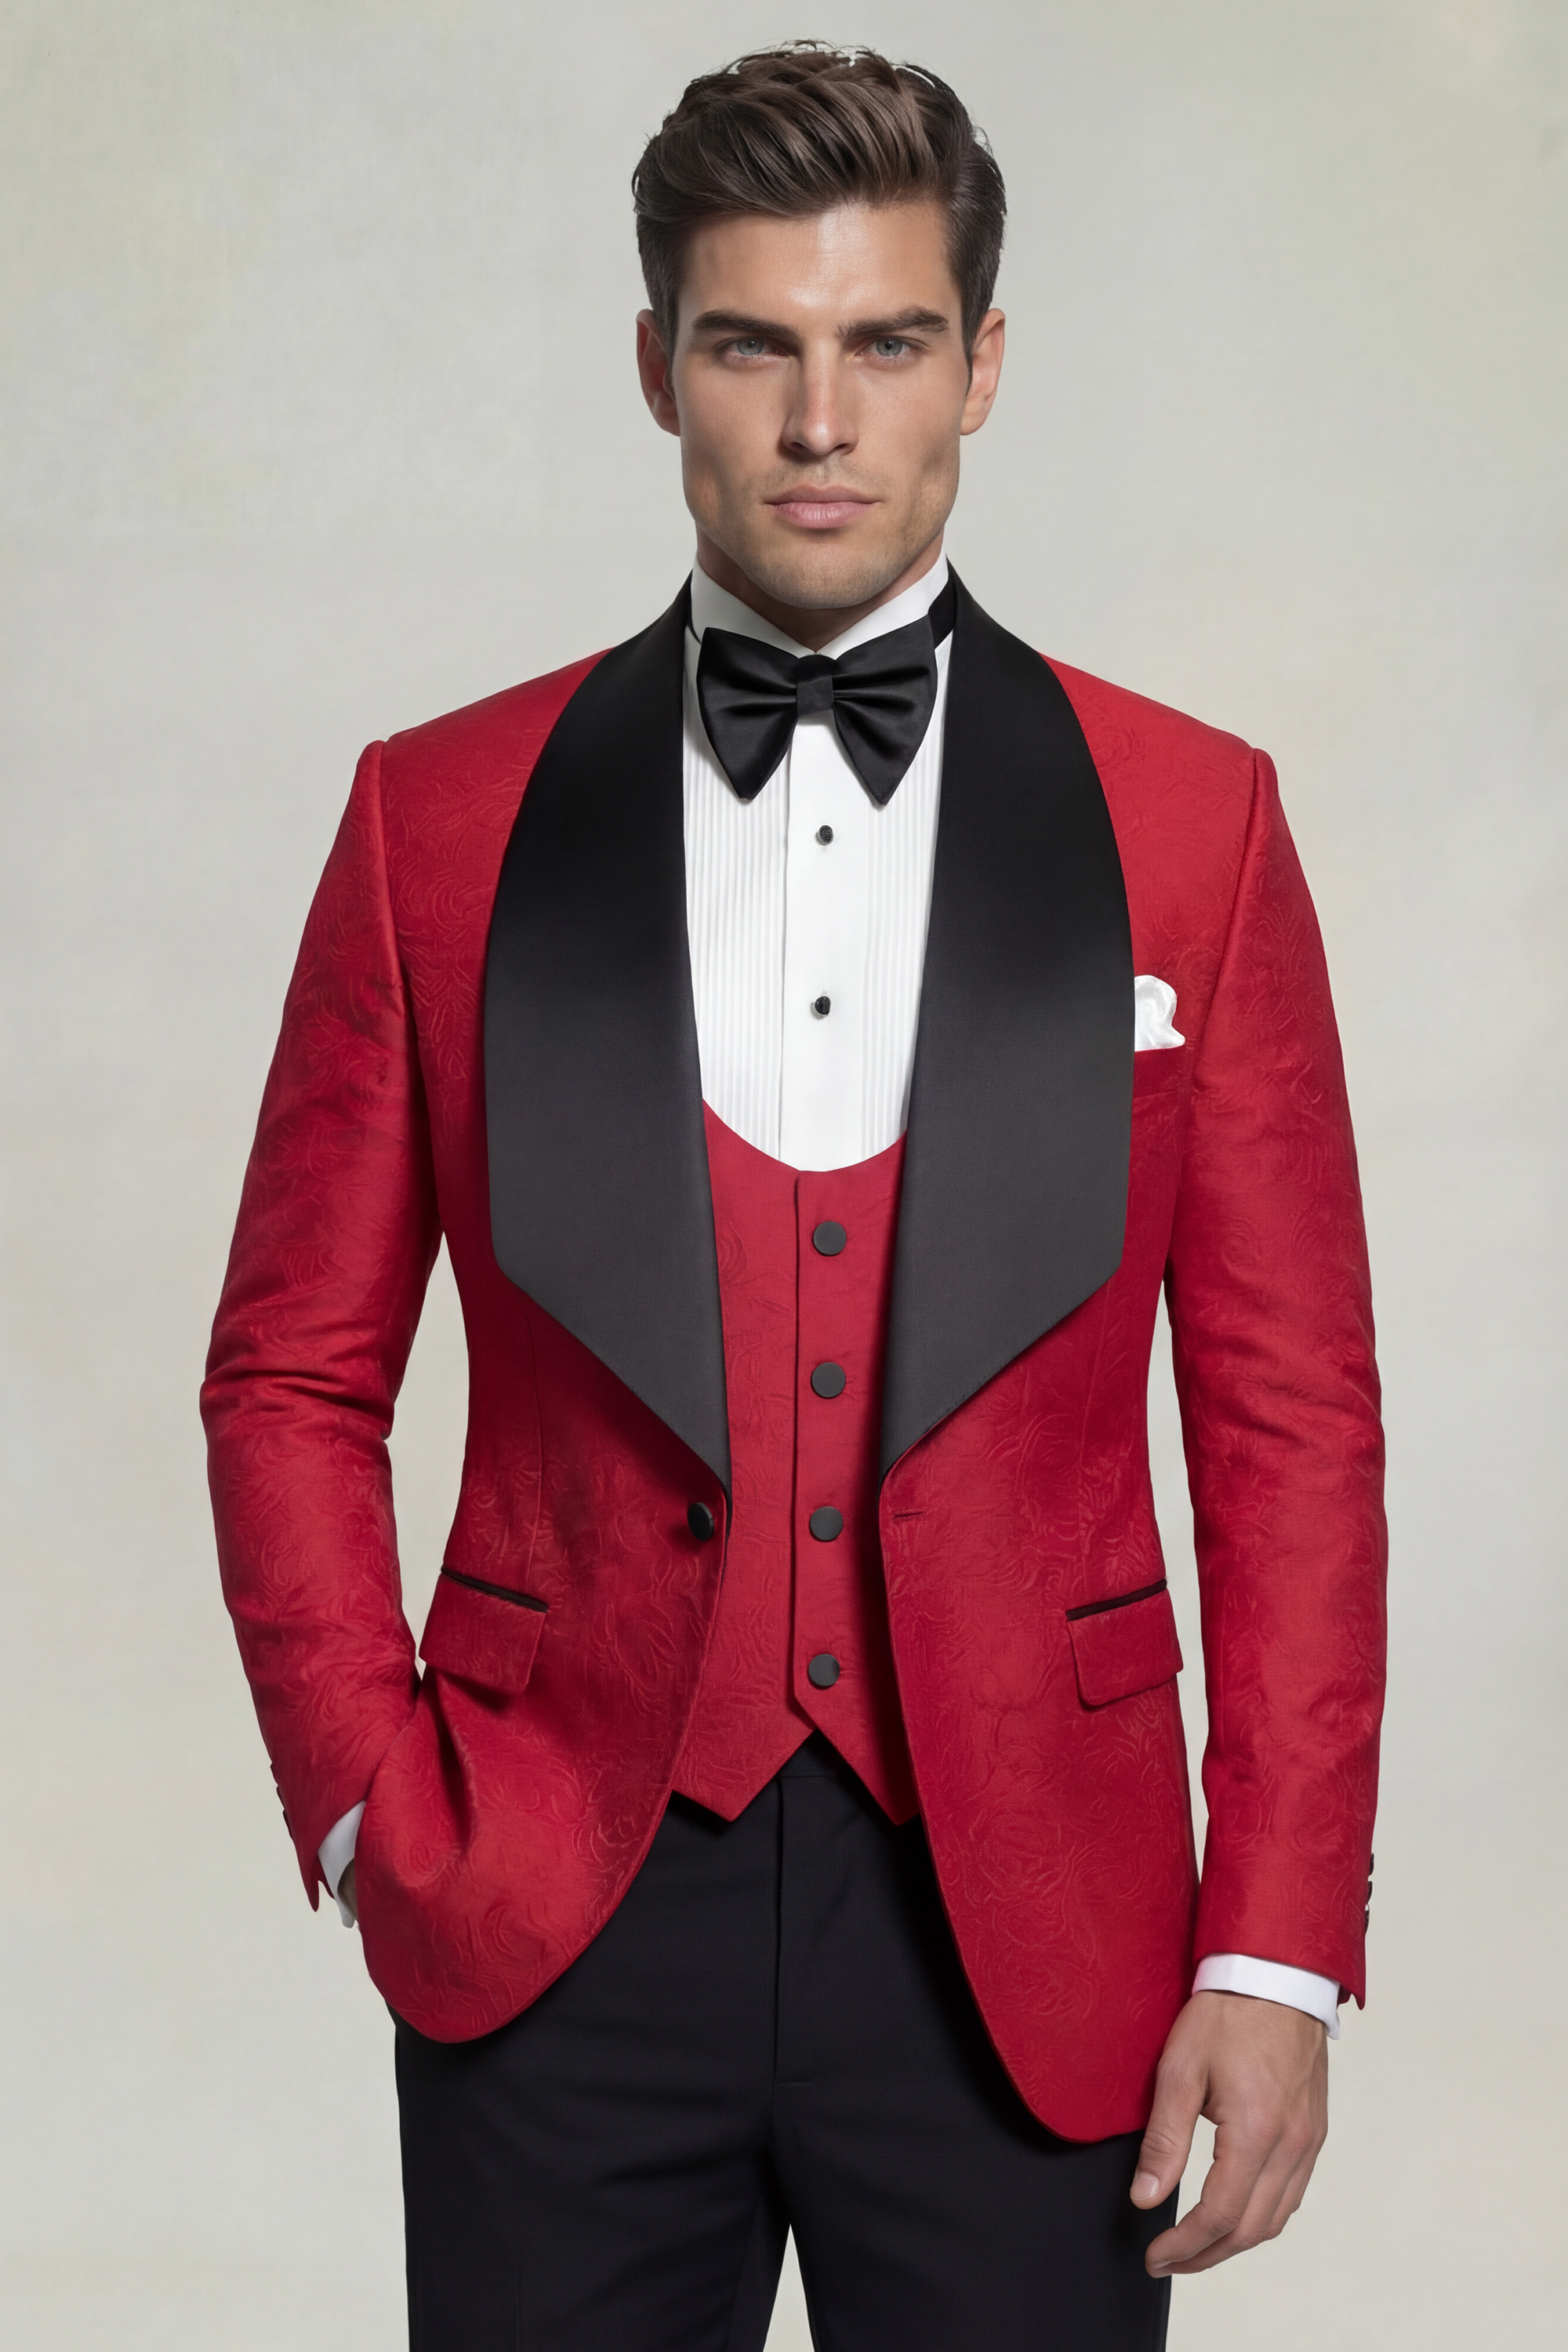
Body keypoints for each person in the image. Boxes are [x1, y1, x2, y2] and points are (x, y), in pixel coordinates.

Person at [202, 42, 1385, 2351]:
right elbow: (288, 1375)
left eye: (888, 344)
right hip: (550, 1903)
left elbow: (1291, 1429)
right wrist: (366, 1802)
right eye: (753, 346)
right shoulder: (434, 823)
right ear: (659, 368)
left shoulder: (1197, 825)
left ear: (983, 367)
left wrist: (1274, 1948)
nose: (822, 421)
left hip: (1037, 1928)